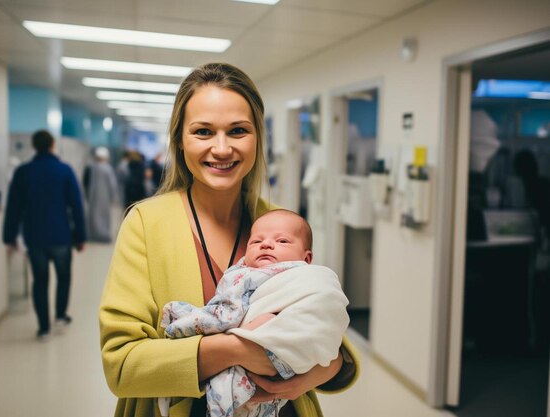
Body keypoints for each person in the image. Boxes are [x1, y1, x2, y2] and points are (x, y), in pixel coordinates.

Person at [99, 62, 359, 417]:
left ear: (258, 138)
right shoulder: (147, 224)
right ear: (179, 140)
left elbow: (319, 322)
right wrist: (241, 348)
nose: (222, 149)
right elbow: (123, 365)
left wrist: (326, 367)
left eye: (238, 130)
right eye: (203, 132)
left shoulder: (276, 225)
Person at [161, 209, 349, 417]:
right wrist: (245, 341)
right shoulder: (243, 275)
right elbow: (227, 307)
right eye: (256, 241)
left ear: (307, 257)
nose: (266, 244)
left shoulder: (309, 277)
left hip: (287, 373)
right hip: (234, 372)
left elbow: (329, 322)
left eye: (283, 241)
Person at [3, 130, 86, 341]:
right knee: (63, 276)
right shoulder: (64, 170)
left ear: (34, 146)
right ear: (52, 145)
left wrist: (9, 236)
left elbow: (13, 207)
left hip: (35, 237)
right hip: (61, 236)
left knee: (39, 280)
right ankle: (59, 316)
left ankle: (43, 328)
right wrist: (81, 236)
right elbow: (76, 205)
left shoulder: (23, 172)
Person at [84, 146, 118, 242]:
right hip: (105, 197)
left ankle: (93, 235)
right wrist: (113, 197)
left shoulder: (93, 167)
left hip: (93, 196)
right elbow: (112, 184)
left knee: (93, 215)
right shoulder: (107, 169)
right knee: (103, 216)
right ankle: (103, 235)